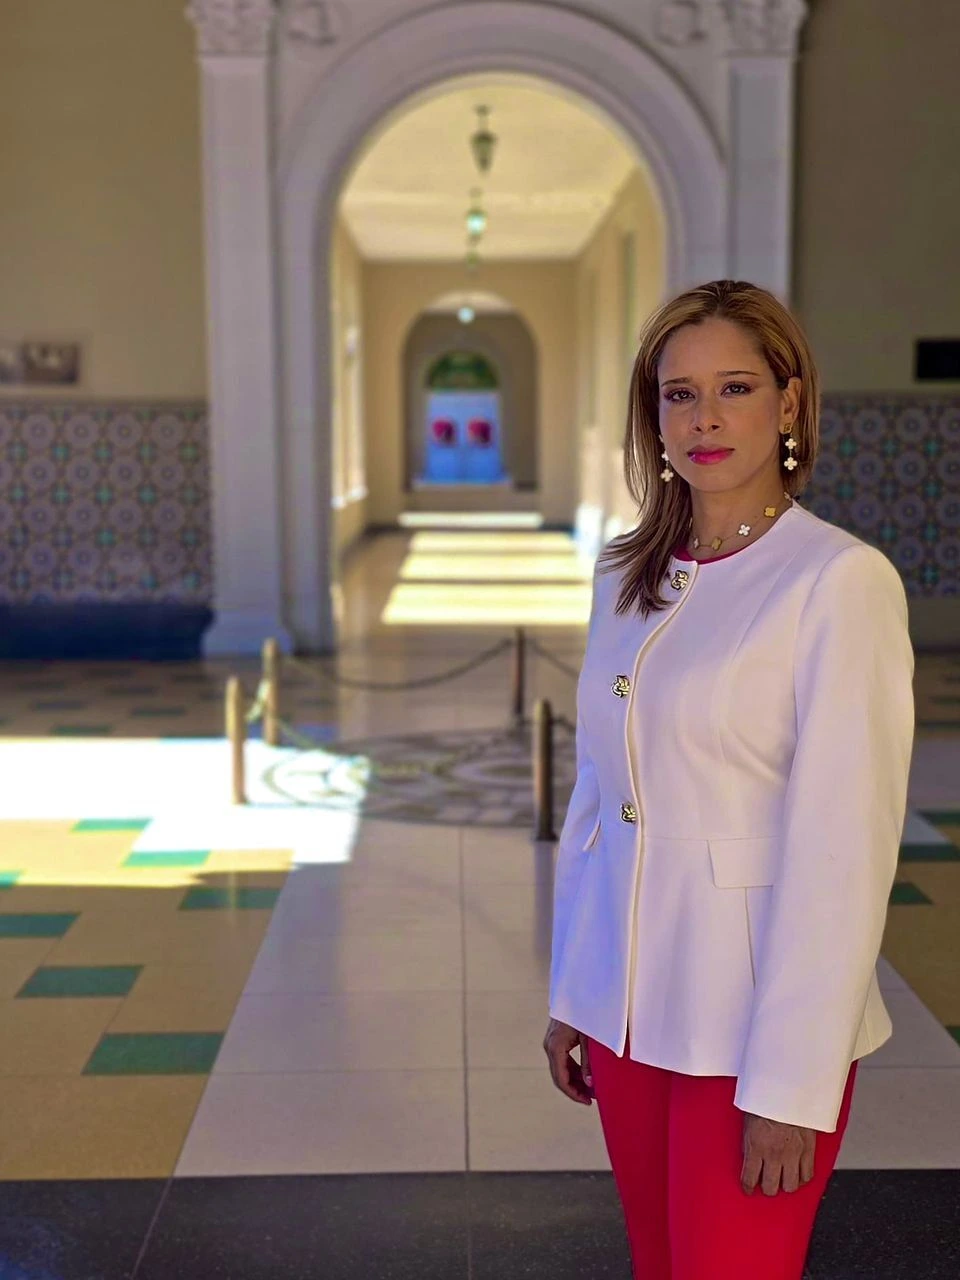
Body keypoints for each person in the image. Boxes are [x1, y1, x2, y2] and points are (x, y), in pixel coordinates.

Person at [543, 280, 915, 1280]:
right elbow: (598, 798)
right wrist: (574, 986)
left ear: (789, 403)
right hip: (628, 1011)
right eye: (678, 393)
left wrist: (794, 1082)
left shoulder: (837, 582)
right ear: (651, 412)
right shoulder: (629, 572)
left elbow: (844, 848)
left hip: (752, 1030)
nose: (705, 417)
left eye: (736, 386)